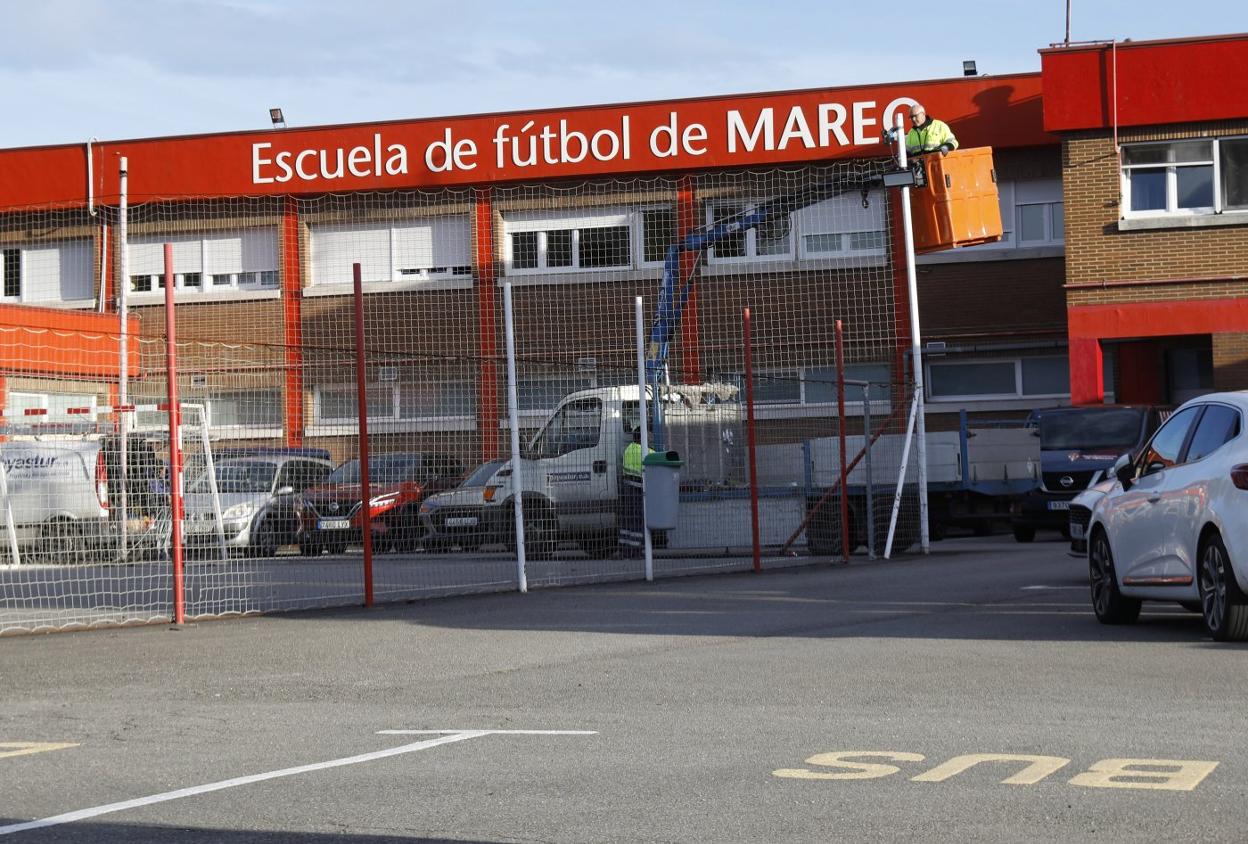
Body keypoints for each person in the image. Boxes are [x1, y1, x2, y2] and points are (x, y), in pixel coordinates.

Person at [617, 429, 646, 554]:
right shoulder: (646, 452)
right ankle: (635, 550)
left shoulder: (628, 449)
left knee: (627, 521)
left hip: (626, 490)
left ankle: (623, 549)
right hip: (638, 491)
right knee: (638, 521)